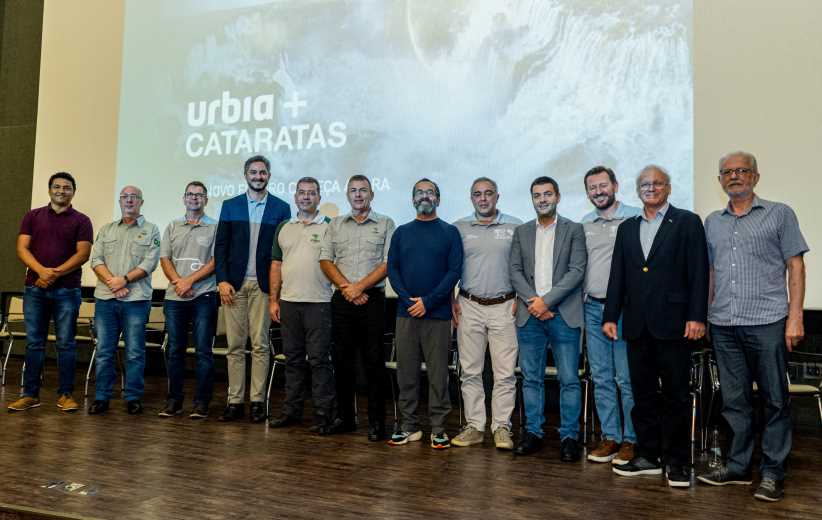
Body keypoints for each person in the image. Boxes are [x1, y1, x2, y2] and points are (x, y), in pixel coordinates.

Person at [697, 151, 808, 502]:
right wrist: (704, 314)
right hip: (724, 324)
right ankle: (739, 466)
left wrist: (795, 316)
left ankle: (773, 472)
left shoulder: (779, 214)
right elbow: (711, 274)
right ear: (719, 181)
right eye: (727, 172)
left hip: (768, 322)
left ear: (756, 177)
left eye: (742, 170)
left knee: (776, 400)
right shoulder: (712, 222)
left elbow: (796, 267)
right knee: (734, 401)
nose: (734, 176)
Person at [604, 165, 708, 488]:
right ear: (638, 191)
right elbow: (618, 275)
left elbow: (699, 273)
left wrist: (697, 316)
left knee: (676, 395)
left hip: (676, 326)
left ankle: (677, 462)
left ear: (669, 187)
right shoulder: (627, 228)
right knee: (643, 394)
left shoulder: (688, 222)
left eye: (657, 183)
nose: (651, 188)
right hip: (636, 326)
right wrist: (610, 315)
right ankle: (648, 456)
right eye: (645, 185)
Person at [510, 176, 587, 460]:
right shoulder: (521, 232)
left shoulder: (574, 230)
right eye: (537, 195)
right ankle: (533, 433)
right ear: (532, 199)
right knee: (531, 379)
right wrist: (535, 303)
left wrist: (547, 302)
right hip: (530, 316)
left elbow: (577, 271)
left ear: (558, 197)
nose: (542, 199)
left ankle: (569, 437)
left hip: (563, 315)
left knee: (568, 379)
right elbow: (515, 271)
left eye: (547, 194)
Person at [386, 178, 463, 449]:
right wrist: (409, 301)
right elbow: (392, 270)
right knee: (406, 372)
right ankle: (408, 426)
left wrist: (428, 302)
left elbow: (454, 271)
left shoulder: (450, 232)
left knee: (438, 373)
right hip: (406, 313)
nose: (425, 196)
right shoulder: (401, 233)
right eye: (420, 192)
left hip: (438, 314)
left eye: (430, 192)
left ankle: (438, 428)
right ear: (413, 200)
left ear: (438, 199)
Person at [214, 155, 290, 423]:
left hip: (263, 286)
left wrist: (277, 290)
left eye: (262, 172)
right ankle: (234, 401)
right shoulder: (230, 205)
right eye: (253, 172)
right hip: (233, 286)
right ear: (245, 175)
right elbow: (220, 246)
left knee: (259, 345)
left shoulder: (281, 208)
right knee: (234, 346)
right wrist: (221, 280)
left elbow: (282, 254)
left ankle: (257, 401)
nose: (258, 176)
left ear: (269, 175)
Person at [319, 174, 396, 441]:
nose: (359, 195)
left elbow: (388, 264)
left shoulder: (386, 223)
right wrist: (348, 289)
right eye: (353, 190)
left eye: (363, 190)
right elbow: (326, 260)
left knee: (374, 363)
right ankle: (345, 418)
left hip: (372, 300)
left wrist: (360, 287)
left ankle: (377, 423)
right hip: (342, 300)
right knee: (342, 362)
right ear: (347, 195)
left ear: (372, 194)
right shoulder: (336, 224)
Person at [8, 172, 92, 413]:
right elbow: (22, 248)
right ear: (49, 190)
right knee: (35, 344)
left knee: (66, 344)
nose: (61, 191)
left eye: (67, 187)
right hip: (35, 289)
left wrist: (54, 274)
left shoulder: (82, 220)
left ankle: (65, 394)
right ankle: (29, 395)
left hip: (67, 291)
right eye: (57, 187)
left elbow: (83, 254)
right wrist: (42, 272)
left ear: (73, 192)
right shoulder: (32, 216)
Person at [450, 177, 521, 450]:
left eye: (488, 193)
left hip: (506, 306)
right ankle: (475, 426)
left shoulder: (516, 226)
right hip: (469, 305)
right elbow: (450, 269)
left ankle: (502, 427)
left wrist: (522, 298)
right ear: (471, 199)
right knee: (470, 371)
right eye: (477, 194)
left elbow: (526, 266)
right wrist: (450, 299)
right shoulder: (458, 228)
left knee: (504, 373)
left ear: (497, 196)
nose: (483, 199)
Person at [267, 177, 342, 434]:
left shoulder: (330, 226)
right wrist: (273, 300)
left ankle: (323, 415)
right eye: (302, 193)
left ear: (319, 197)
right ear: (295, 196)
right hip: (288, 303)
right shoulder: (284, 227)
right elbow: (276, 266)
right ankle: (292, 411)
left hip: (319, 303)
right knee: (294, 360)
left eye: (312, 193)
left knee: (320, 361)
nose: (306, 197)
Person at [580, 166, 642, 465]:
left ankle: (631, 440)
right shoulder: (585, 223)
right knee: (601, 377)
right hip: (593, 308)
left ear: (615, 185)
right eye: (592, 188)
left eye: (603, 185)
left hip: (625, 311)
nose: (598, 191)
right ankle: (611, 437)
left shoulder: (635, 217)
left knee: (626, 378)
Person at [88, 185, 161, 415]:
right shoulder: (106, 230)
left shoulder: (151, 230)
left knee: (135, 351)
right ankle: (101, 397)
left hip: (136, 300)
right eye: (125, 197)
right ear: (120, 201)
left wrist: (125, 280)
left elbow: (150, 263)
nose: (129, 201)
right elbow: (95, 259)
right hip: (106, 299)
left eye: (134, 197)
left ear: (141, 202)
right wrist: (113, 282)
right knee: (104, 350)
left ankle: (132, 397)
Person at [158, 181, 218, 419]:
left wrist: (189, 281)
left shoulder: (215, 227)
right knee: (175, 351)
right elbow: (165, 258)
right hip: (175, 297)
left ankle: (202, 403)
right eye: (190, 195)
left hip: (204, 295)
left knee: (203, 351)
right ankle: (174, 401)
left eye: (199, 195)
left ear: (206, 199)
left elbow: (215, 261)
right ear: (184, 199)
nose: (194, 198)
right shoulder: (172, 226)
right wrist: (178, 283)